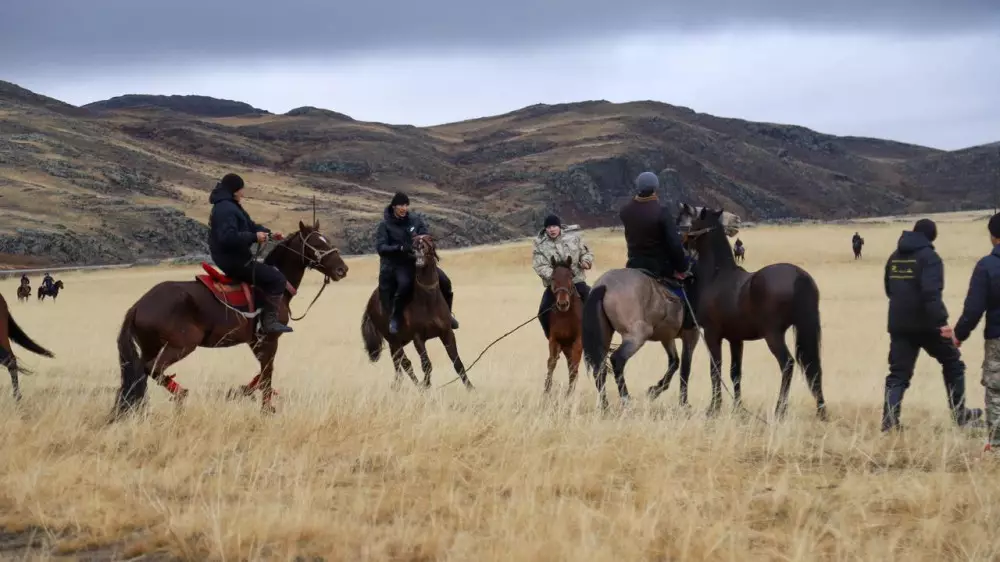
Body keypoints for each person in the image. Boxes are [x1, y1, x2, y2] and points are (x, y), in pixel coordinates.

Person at [881, 218, 982, 431]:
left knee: (898, 373)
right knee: (953, 364)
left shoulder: (895, 257)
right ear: (931, 237)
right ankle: (960, 414)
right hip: (927, 325)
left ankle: (889, 422)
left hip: (899, 324)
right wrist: (942, 323)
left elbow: (889, 289)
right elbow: (931, 294)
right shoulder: (930, 258)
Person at [207, 173, 292, 334]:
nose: (243, 194)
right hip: (234, 261)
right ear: (234, 190)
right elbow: (227, 238)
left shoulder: (230, 205)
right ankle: (269, 322)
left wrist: (269, 234)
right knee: (277, 279)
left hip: (235, 258)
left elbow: (250, 226)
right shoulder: (226, 209)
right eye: (241, 190)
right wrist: (254, 237)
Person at [375, 192, 458, 335]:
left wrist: (421, 241)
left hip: (420, 261)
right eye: (401, 205)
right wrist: (400, 248)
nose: (404, 208)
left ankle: (448, 315)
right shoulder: (385, 225)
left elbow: (425, 235)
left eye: (406, 205)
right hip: (400, 264)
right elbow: (381, 248)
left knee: (445, 281)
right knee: (404, 284)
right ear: (394, 206)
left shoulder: (415, 220)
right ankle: (395, 318)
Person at [953, 213, 1000, 450]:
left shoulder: (987, 266)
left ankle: (997, 443)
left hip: (997, 338)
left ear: (993, 237)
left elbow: (973, 310)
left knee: (996, 390)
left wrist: (959, 335)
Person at [531, 214, 594, 339]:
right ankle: (552, 339)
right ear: (545, 229)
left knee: (595, 305)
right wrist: (557, 277)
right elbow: (540, 265)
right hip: (555, 286)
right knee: (542, 313)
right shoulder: (540, 245)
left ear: (559, 227)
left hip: (576, 281)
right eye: (548, 227)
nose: (552, 229)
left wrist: (586, 261)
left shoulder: (573, 238)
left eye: (554, 226)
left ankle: (596, 337)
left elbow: (586, 253)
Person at [619, 171, 688, 281]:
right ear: (656, 188)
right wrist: (682, 267)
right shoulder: (661, 212)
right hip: (659, 267)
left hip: (633, 264)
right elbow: (674, 244)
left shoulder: (625, 211)